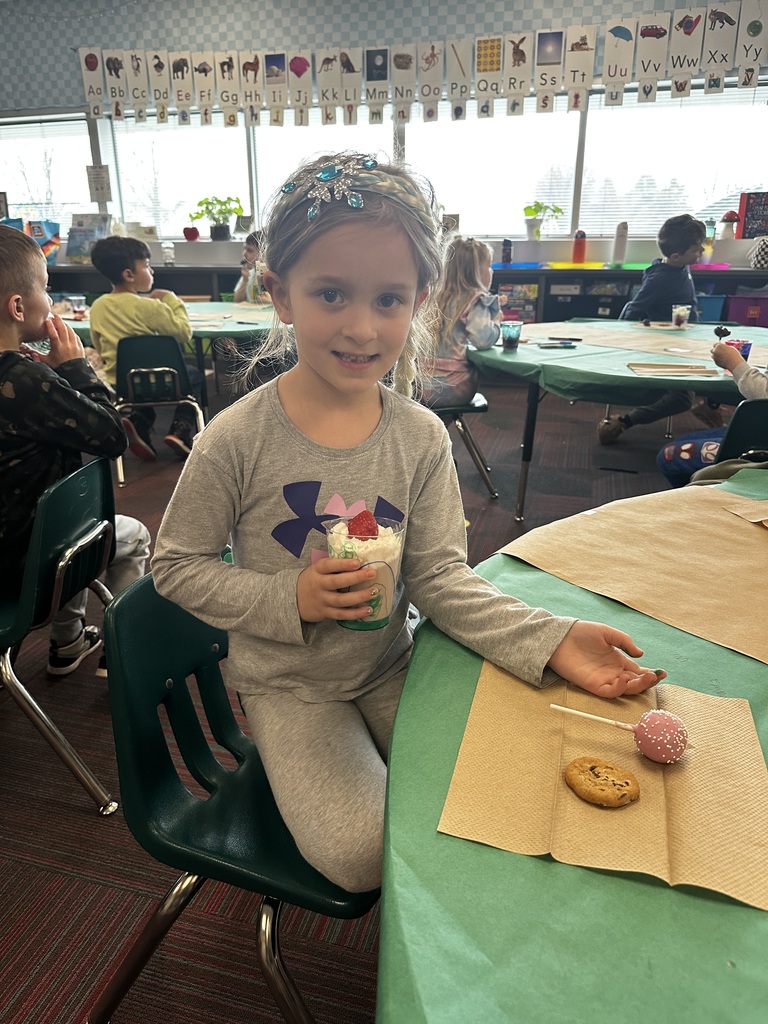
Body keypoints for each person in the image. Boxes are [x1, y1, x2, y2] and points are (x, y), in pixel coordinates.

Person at [151, 152, 665, 894]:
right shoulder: (235, 438)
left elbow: (438, 578)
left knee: (506, 782)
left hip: (391, 665)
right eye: (331, 293)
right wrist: (286, 598)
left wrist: (551, 638)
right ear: (280, 293)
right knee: (364, 853)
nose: (362, 328)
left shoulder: (420, 435)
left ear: (422, 298)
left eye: (389, 300)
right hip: (291, 688)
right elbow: (174, 566)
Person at [0, 224, 150, 677]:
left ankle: (70, 641)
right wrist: (77, 370)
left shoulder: (27, 379)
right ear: (18, 306)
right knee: (130, 534)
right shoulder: (26, 382)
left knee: (72, 525)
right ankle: (123, 654)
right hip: (28, 563)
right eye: (47, 288)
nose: (51, 299)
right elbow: (111, 435)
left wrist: (54, 379)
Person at [597, 214, 723, 444]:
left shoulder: (678, 265)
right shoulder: (660, 278)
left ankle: (710, 406)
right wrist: (616, 338)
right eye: (697, 250)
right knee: (682, 399)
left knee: (725, 360)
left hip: (690, 337)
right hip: (670, 347)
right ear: (675, 256)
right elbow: (633, 307)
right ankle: (624, 421)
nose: (701, 253)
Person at [89, 235, 200, 460]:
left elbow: (99, 347)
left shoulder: (97, 307)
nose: (152, 272)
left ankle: (138, 424)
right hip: (165, 380)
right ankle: (181, 429)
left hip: (122, 383)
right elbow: (183, 332)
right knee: (194, 376)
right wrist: (171, 300)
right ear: (129, 275)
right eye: (147, 266)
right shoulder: (151, 307)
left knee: (141, 392)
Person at [657, 341, 768, 486]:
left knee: (670, 455)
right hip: (760, 430)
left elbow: (764, 398)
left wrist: (734, 363)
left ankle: (702, 501)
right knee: (683, 440)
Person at [420, 234, 501, 408]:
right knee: (471, 371)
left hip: (419, 386)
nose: (491, 271)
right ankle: (442, 425)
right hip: (454, 389)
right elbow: (483, 340)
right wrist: (496, 321)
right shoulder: (474, 299)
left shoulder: (432, 296)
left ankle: (437, 427)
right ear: (477, 271)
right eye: (489, 266)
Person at [232, 231, 266, 303]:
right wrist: (245, 280)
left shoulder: (272, 275)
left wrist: (269, 301)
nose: (244, 253)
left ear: (263, 253)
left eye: (249, 250)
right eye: (244, 249)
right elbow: (237, 300)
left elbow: (264, 297)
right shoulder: (249, 274)